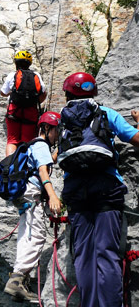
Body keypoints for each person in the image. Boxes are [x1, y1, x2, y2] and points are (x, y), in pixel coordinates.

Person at [59, 72, 139, 307]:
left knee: (83, 255)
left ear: (67, 94)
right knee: (107, 253)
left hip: (76, 191)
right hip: (106, 189)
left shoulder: (63, 120)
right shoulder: (106, 114)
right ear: (93, 92)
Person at [4, 111, 62, 302]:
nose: (57, 134)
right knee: (36, 236)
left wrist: (55, 155)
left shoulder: (35, 145)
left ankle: (20, 280)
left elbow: (43, 163)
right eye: (56, 130)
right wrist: (52, 195)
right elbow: (42, 169)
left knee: (26, 234)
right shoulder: (41, 144)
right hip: (31, 194)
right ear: (46, 128)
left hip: (24, 193)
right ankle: (17, 280)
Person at [1, 50, 47, 156]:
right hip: (31, 111)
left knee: (12, 140)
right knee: (28, 141)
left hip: (14, 110)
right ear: (29, 63)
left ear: (16, 63)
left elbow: (3, 93)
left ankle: (10, 167)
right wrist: (36, 101)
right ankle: (26, 168)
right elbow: (43, 93)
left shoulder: (12, 75)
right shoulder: (36, 75)